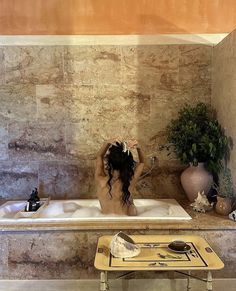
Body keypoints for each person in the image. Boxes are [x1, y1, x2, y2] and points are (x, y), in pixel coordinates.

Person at [95, 138, 144, 216]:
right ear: (128, 164)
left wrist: (107, 143)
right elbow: (142, 162)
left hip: (105, 223)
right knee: (131, 206)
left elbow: (99, 156)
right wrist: (138, 147)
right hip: (125, 224)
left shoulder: (100, 180)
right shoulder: (129, 182)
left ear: (109, 161)